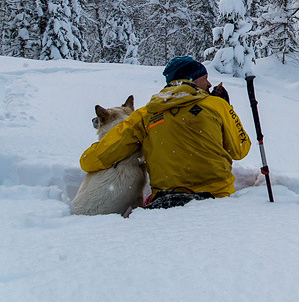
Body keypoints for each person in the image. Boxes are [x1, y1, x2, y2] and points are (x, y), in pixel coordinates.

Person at [79, 56, 251, 210]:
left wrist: (88, 158)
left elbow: (94, 159)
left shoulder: (145, 115)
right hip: (216, 199)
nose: (209, 84)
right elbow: (240, 149)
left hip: (165, 203)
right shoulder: (216, 105)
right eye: (205, 78)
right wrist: (227, 109)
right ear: (191, 80)